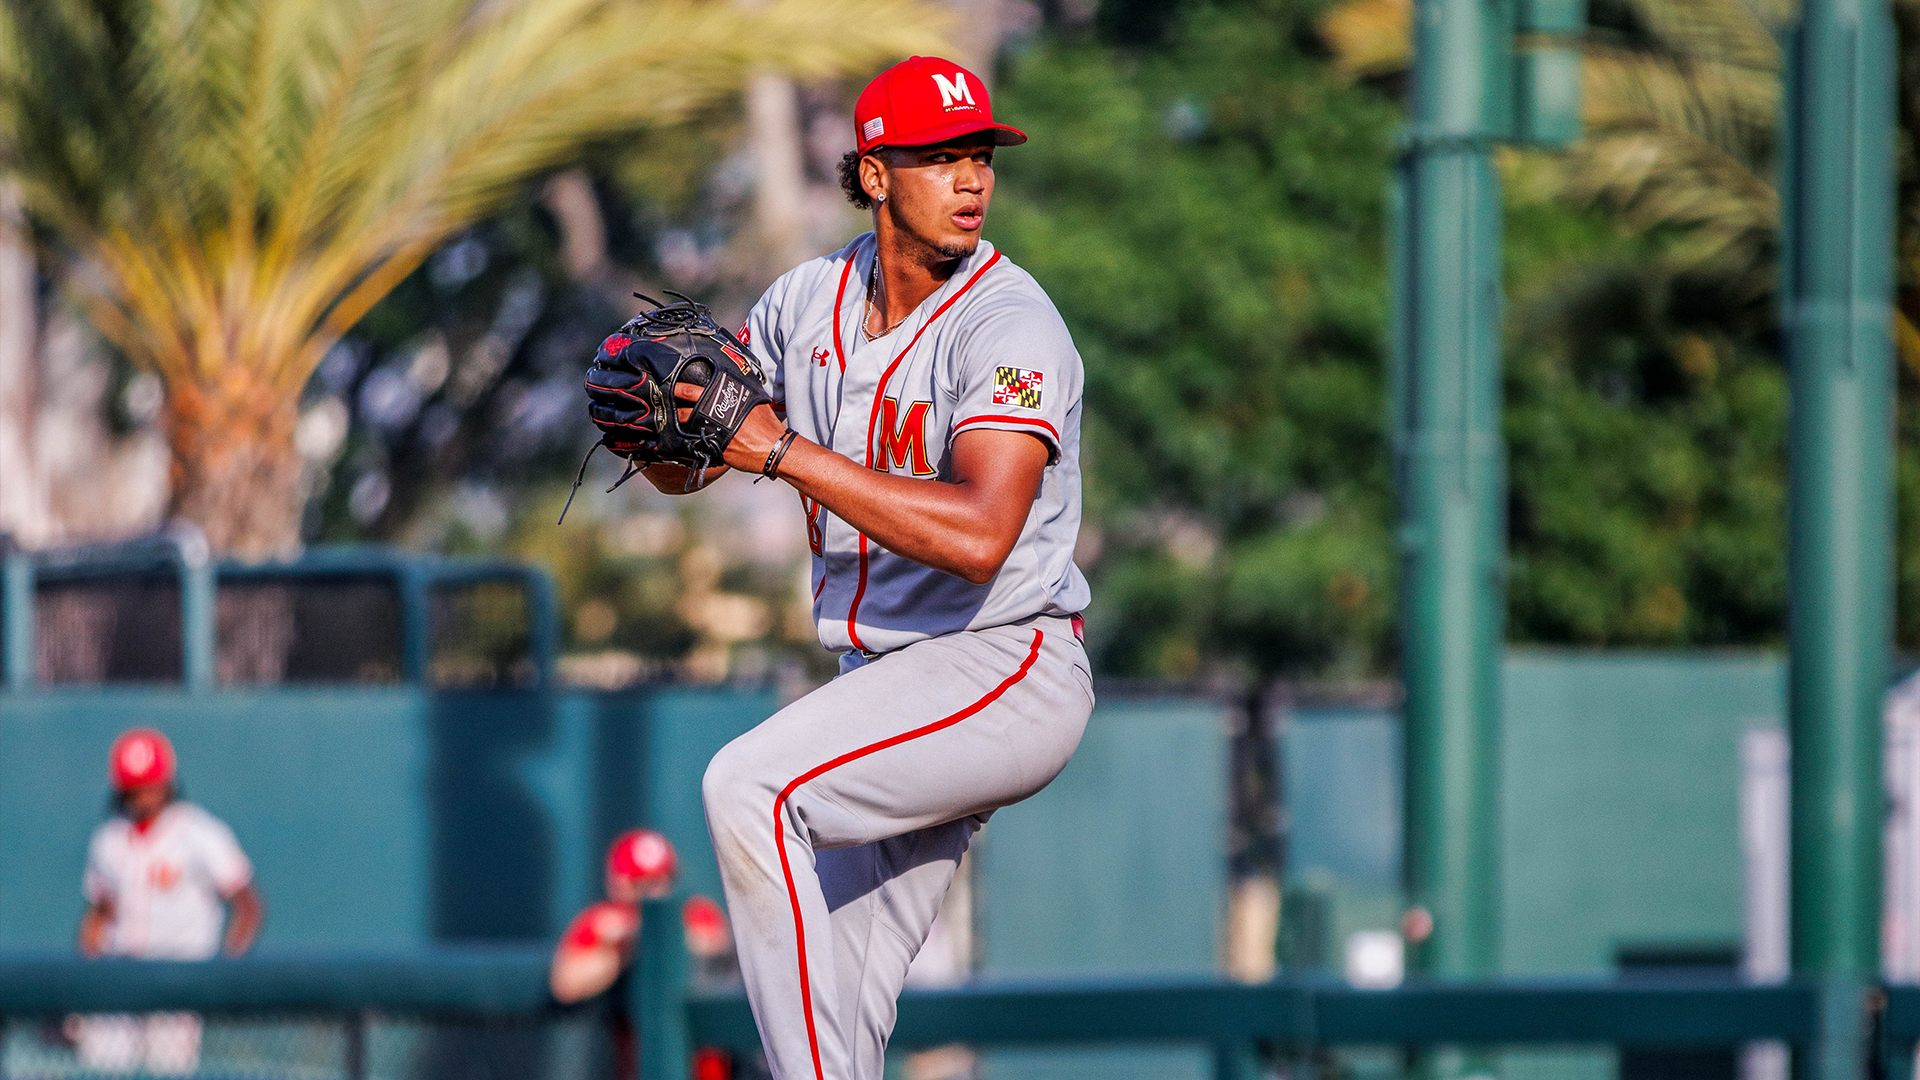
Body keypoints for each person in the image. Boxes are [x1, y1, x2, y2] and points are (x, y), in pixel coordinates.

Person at [647, 56, 1095, 1080]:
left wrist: (779, 450)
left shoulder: (1009, 321)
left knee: (750, 787)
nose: (971, 178)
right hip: (886, 686)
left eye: (978, 154)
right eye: (941, 157)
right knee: (830, 1007)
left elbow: (983, 533)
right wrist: (664, 438)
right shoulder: (808, 300)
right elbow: (704, 452)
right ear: (876, 172)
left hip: (1003, 666)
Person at [75, 727, 262, 1075]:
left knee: (168, 1074)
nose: (144, 796)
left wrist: (227, 966)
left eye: (151, 785)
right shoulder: (108, 838)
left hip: (177, 979)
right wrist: (82, 982)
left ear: (167, 782)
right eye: (135, 787)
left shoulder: (199, 832)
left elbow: (248, 904)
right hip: (118, 979)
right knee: (100, 1072)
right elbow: (98, 915)